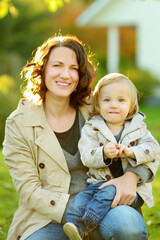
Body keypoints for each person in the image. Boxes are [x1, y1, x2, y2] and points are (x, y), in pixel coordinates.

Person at [2, 35, 159, 240]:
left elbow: (143, 142)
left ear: (81, 73)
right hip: (49, 215)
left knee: (127, 226)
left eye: (73, 68)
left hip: (107, 204)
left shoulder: (97, 106)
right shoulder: (20, 123)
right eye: (57, 65)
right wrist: (81, 212)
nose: (65, 75)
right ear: (43, 69)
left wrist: (131, 178)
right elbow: (28, 190)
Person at [63, 73, 160, 240]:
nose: (113, 105)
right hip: (97, 185)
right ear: (98, 104)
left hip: (132, 191)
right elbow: (86, 156)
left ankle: (86, 225)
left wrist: (132, 152)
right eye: (107, 100)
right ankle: (78, 233)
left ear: (131, 106)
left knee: (108, 192)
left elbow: (153, 149)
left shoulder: (138, 128)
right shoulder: (92, 128)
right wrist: (103, 153)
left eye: (121, 100)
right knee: (77, 203)